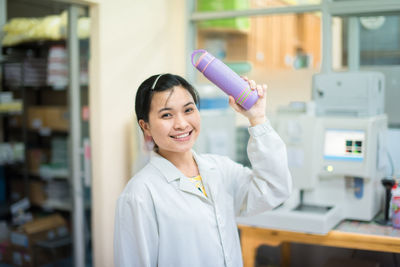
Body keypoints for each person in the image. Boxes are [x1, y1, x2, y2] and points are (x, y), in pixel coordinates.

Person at [114, 73, 292, 267]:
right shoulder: (139, 194)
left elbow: (274, 188)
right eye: (167, 115)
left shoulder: (221, 169)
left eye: (188, 110)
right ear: (145, 126)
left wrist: (257, 118)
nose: (181, 123)